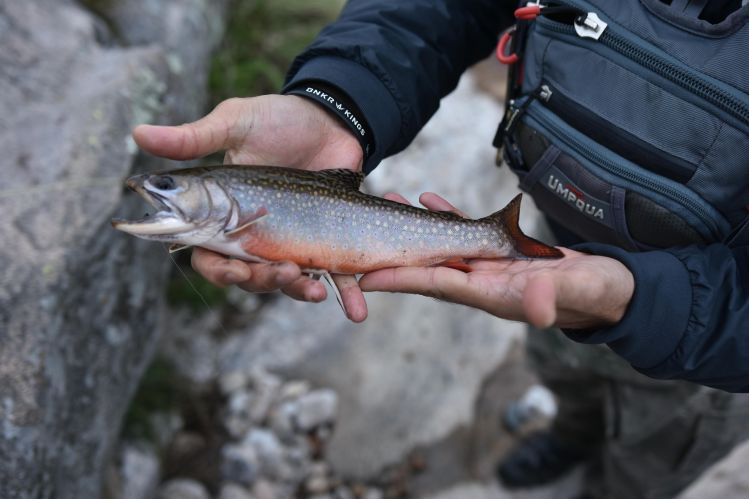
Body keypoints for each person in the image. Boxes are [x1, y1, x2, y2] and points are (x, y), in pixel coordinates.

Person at [132, 1, 749, 497]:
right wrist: (338, 99)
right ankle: (569, 434)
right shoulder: (232, 213)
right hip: (562, 244)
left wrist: (647, 304)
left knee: (655, 457)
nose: (158, 195)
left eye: (168, 187)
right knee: (564, 365)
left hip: (703, 337)